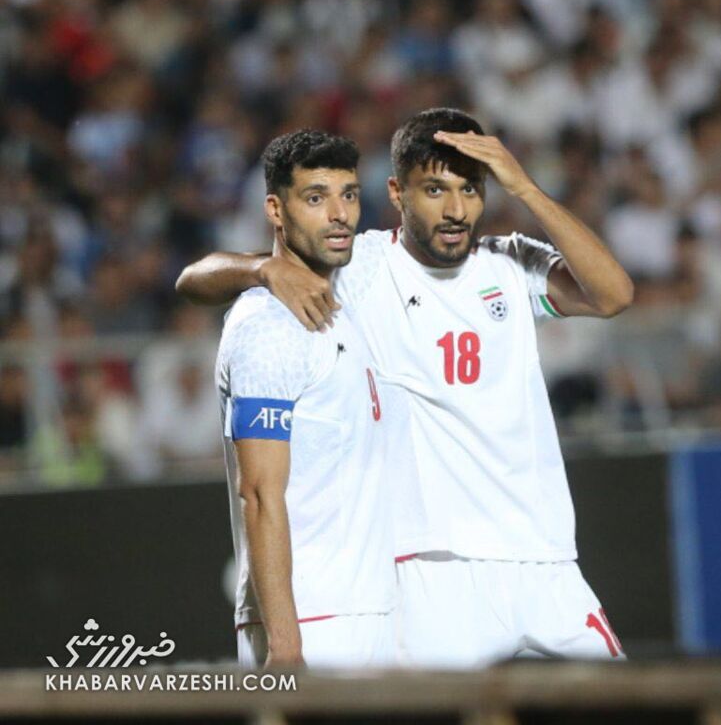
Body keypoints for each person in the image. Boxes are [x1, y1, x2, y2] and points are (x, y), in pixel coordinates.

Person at [178, 108, 634, 668]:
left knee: (629, 700)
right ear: (397, 193)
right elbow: (193, 279)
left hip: (545, 555)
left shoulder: (511, 263)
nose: (455, 209)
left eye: (471, 189)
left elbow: (614, 295)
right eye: (435, 189)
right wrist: (259, 270)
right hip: (433, 568)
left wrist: (526, 188)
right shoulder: (363, 265)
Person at [209, 130, 401, 668]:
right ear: (276, 209)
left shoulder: (346, 295)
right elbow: (259, 493)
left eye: (349, 195)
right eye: (316, 198)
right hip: (312, 623)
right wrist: (286, 645)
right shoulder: (268, 329)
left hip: (368, 611)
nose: (339, 214)